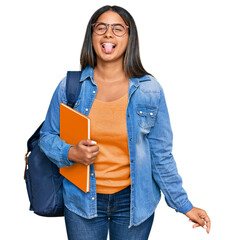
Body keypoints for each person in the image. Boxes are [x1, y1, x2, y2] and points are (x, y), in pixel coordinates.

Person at [39, 5, 211, 240]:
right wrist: (71, 153)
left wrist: (184, 205)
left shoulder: (149, 89)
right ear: (92, 36)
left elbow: (161, 155)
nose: (108, 34)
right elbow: (47, 138)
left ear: (130, 37)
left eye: (118, 28)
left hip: (134, 203)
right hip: (82, 200)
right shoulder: (70, 87)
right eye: (101, 27)